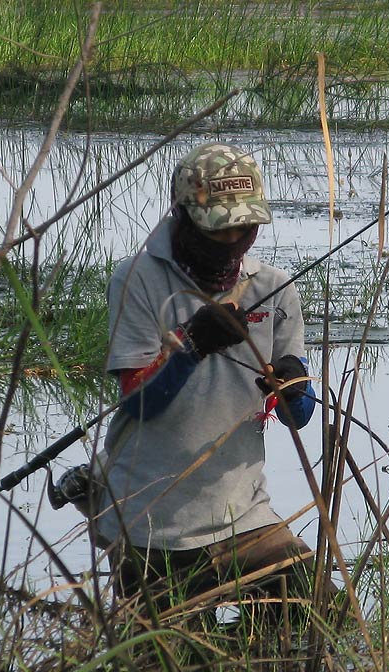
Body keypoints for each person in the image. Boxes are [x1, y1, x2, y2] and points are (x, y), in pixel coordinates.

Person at [90, 142, 318, 615]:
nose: (235, 239)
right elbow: (136, 404)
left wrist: (294, 387)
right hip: (152, 525)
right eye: (220, 229)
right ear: (185, 217)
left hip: (245, 518)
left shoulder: (274, 288)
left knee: (315, 620)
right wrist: (193, 346)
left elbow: (299, 416)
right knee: (175, 660)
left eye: (246, 227)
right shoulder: (136, 279)